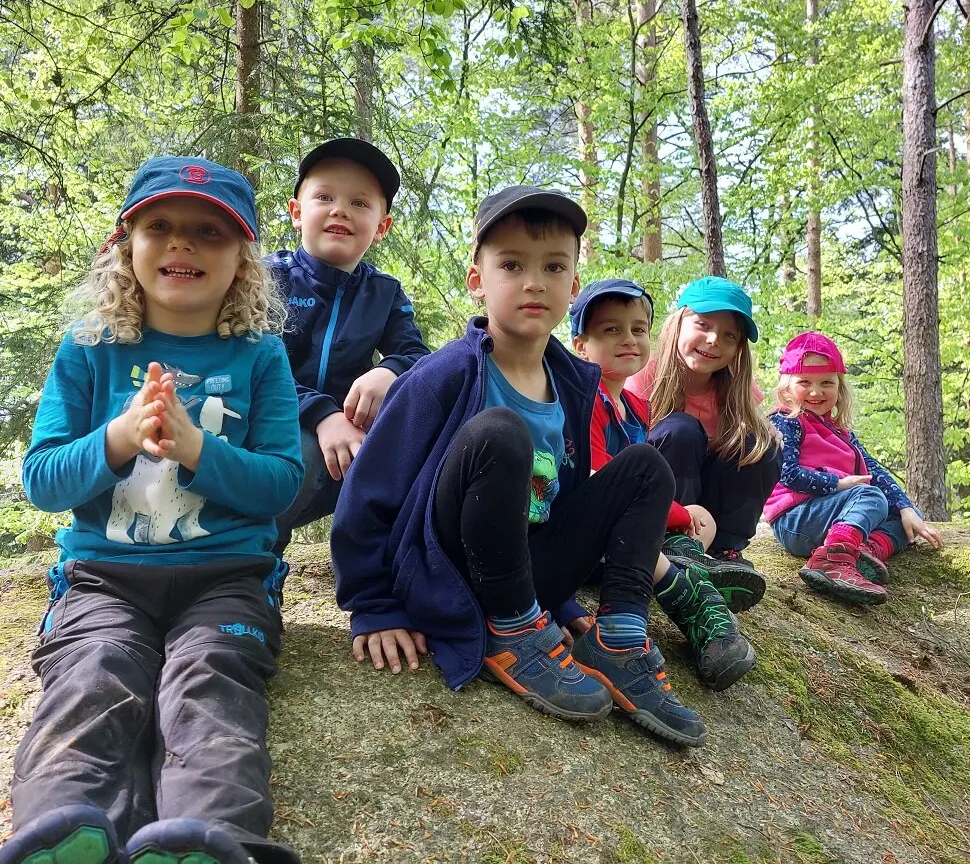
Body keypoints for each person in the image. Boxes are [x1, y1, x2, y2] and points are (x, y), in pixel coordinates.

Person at [5, 157, 304, 864]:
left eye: (209, 231)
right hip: (104, 580)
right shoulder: (89, 350)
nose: (181, 243)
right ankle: (62, 833)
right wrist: (117, 438)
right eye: (160, 226)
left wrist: (198, 448)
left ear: (243, 261)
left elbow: (282, 485)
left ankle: (209, 841)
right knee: (93, 676)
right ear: (126, 245)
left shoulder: (260, 356)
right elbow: (43, 481)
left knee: (210, 686)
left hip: (226, 579)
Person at [333, 185, 707, 747]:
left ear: (573, 286)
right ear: (477, 280)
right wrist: (373, 606)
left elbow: (558, 500)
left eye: (553, 267)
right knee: (501, 433)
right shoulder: (443, 376)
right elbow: (369, 489)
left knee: (645, 466)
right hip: (451, 573)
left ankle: (620, 637)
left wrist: (559, 601)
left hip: (528, 575)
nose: (534, 282)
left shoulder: (573, 383)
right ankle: (509, 631)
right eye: (511, 265)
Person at [570, 279, 755, 691]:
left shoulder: (638, 408)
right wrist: (679, 513)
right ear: (581, 345)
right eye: (611, 330)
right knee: (677, 519)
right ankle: (699, 601)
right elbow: (598, 480)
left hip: (620, 538)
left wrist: (683, 516)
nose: (628, 339)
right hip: (582, 530)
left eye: (638, 329)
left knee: (692, 524)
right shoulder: (582, 398)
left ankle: (696, 578)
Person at [266, 138, 429, 555]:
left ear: (381, 227)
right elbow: (253, 365)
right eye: (325, 197)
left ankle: (377, 570)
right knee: (298, 452)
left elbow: (417, 355)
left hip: (349, 447)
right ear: (297, 212)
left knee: (417, 455)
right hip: (268, 439)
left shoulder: (383, 292)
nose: (340, 210)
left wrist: (389, 370)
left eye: (359, 203)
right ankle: (255, 566)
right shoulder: (268, 278)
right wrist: (322, 415)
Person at [626, 277, 780, 607]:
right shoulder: (643, 376)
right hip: (661, 502)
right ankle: (674, 545)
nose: (713, 340)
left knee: (760, 444)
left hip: (710, 506)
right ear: (678, 323)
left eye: (729, 335)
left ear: (738, 348)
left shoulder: (735, 389)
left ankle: (724, 550)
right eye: (703, 324)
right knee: (681, 429)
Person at [764, 331, 943, 604]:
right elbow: (786, 474)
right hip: (796, 519)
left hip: (832, 514)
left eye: (827, 382)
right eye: (804, 382)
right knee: (870, 495)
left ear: (839, 388)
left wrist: (906, 507)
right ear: (787, 387)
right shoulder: (786, 422)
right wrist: (837, 484)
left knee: (907, 519)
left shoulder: (842, 433)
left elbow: (874, 472)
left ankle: (863, 552)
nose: (816, 391)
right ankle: (832, 559)